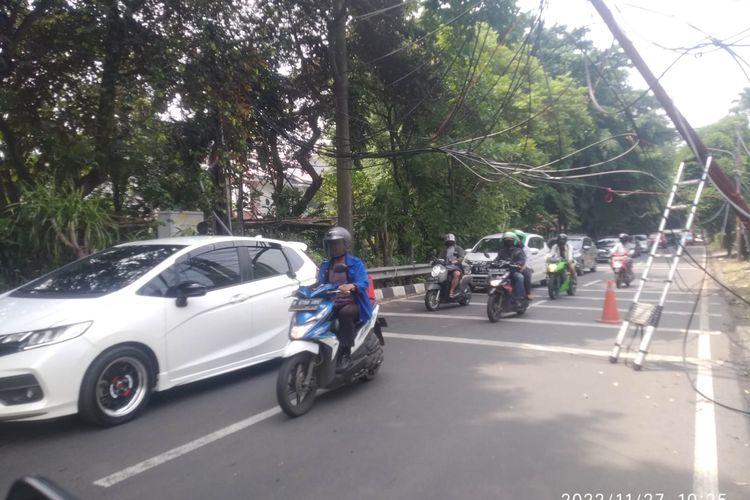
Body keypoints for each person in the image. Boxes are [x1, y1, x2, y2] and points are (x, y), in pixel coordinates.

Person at [316, 226, 373, 371]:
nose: (333, 247)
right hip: (332, 303)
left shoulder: (355, 263)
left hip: (353, 302)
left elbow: (364, 282)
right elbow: (319, 283)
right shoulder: (325, 265)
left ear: (345, 244)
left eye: (336, 244)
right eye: (331, 244)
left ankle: (346, 353)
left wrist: (352, 286)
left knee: (345, 313)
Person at [494, 231, 527, 306]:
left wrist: (518, 264)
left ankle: (516, 299)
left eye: (510, 239)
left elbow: (522, 260)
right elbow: (497, 260)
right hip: (502, 272)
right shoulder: (501, 251)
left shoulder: (519, 251)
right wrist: (492, 264)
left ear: (514, 240)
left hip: (513, 272)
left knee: (520, 277)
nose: (508, 241)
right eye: (506, 239)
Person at [439, 233, 465, 298]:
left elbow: (462, 257)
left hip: (456, 266)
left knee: (457, 274)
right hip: (445, 266)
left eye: (451, 241)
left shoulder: (458, 248)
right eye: (448, 242)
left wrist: (456, 261)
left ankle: (451, 291)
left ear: (453, 241)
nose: (449, 243)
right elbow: (440, 258)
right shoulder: (444, 250)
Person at [513, 229, 533, 300]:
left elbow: (528, 259)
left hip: (522, 266)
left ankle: (528, 293)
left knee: (526, 273)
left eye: (519, 237)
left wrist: (524, 266)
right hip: (510, 267)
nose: (517, 239)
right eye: (516, 237)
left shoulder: (525, 249)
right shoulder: (507, 247)